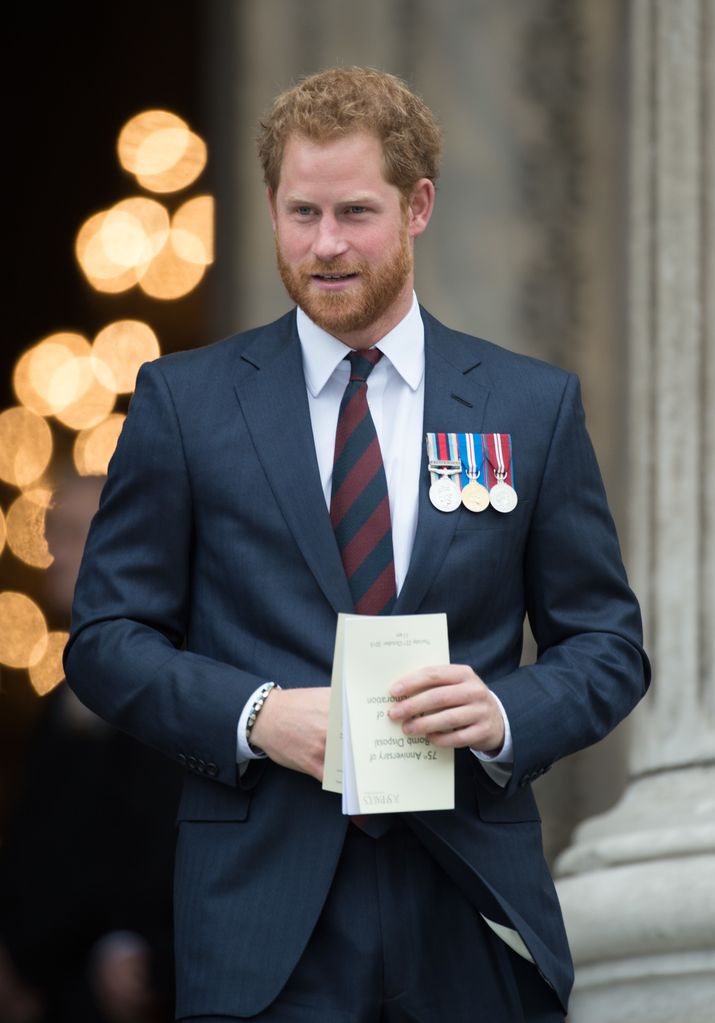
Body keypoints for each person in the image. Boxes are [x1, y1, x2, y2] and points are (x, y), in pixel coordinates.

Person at [64, 67, 650, 1022]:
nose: (325, 245)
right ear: (269, 206)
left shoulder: (528, 406)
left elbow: (608, 646)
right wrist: (256, 713)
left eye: (354, 211)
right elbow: (105, 638)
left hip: (470, 900)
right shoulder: (186, 403)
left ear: (417, 205)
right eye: (301, 212)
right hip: (262, 915)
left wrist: (502, 709)